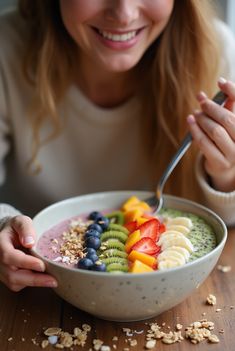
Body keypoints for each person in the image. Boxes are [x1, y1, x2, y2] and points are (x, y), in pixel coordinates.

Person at [0, 0, 235, 292]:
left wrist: (225, 175)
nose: (124, 14)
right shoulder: (6, 48)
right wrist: (3, 224)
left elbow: (224, 225)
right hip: (40, 292)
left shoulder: (216, 52)